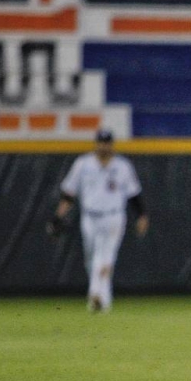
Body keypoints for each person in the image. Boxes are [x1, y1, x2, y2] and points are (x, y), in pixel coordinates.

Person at [46, 129, 149, 313]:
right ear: (96, 143)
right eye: (101, 142)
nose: (104, 145)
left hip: (114, 216)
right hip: (90, 217)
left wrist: (141, 216)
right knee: (91, 259)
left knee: (105, 257)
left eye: (107, 142)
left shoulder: (122, 166)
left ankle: (95, 294)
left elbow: (134, 195)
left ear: (112, 144)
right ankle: (104, 299)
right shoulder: (83, 164)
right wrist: (58, 216)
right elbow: (69, 194)